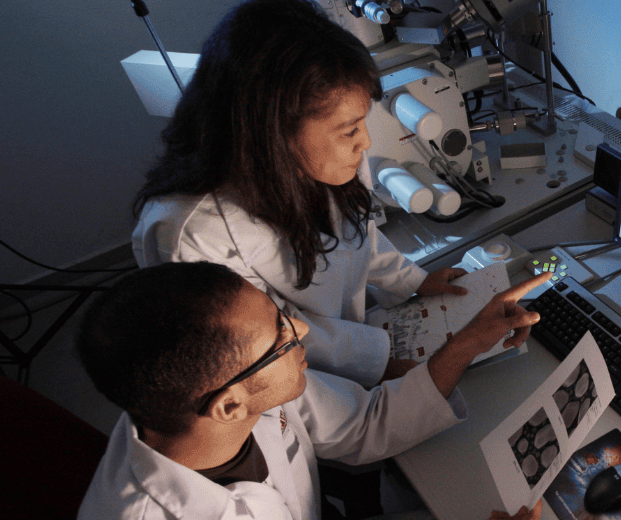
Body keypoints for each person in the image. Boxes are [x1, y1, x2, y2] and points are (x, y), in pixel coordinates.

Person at [64, 261, 552, 520]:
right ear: (229, 405)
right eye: (280, 338)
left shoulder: (211, 403)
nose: (301, 331)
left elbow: (367, 423)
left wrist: (467, 341)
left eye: (280, 315)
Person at [132, 0, 464, 387]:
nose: (366, 142)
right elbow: (272, 337)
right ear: (274, 130)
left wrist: (414, 281)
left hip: (354, 351)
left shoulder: (320, 158)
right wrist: (380, 365)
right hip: (293, 386)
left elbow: (359, 237)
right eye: (350, 130)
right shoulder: (191, 233)